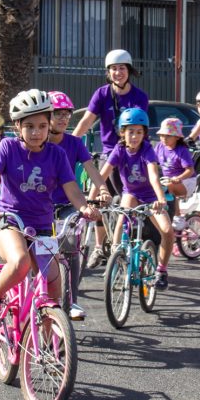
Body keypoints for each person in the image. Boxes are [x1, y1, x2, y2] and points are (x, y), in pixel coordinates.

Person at [0, 90, 99, 327]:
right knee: (20, 262)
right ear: (17, 125)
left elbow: (71, 188)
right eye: (29, 126)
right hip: (10, 222)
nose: (36, 132)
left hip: (42, 226)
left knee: (53, 282)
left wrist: (85, 208)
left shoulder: (57, 154)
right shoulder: (8, 148)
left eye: (42, 125)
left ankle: (50, 341)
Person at [72, 49, 149, 268]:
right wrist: (70, 143)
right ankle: (99, 246)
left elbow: (140, 128)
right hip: (107, 154)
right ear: (108, 72)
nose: (118, 73)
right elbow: (87, 120)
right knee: (98, 200)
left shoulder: (139, 97)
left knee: (129, 203)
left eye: (122, 68)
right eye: (114, 69)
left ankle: (126, 247)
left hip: (129, 155)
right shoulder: (102, 94)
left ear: (129, 71)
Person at [97, 107, 176, 289]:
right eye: (130, 131)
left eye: (139, 132)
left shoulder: (148, 150)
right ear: (122, 132)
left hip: (151, 196)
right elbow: (102, 174)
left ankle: (161, 271)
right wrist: (93, 197)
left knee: (167, 231)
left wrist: (161, 199)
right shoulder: (119, 149)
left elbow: (154, 176)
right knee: (122, 216)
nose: (135, 136)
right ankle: (115, 261)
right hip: (131, 193)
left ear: (144, 134)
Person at [48, 91, 109, 320]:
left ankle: (72, 300)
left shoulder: (74, 142)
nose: (63, 119)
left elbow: (90, 167)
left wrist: (102, 188)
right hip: (40, 206)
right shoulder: (39, 143)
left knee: (72, 246)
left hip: (67, 205)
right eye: (57, 114)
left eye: (67, 114)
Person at [155, 117, 196, 231]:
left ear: (177, 137)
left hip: (186, 181)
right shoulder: (159, 146)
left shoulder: (182, 150)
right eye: (162, 135)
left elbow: (190, 171)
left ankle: (178, 217)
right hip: (167, 180)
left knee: (168, 187)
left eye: (168, 135)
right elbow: (152, 163)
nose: (164, 138)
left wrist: (178, 178)